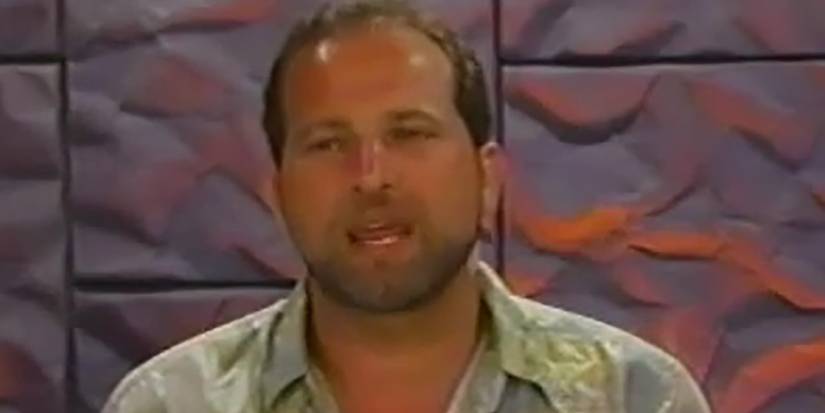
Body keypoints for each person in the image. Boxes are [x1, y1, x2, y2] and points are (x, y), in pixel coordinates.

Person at [102, 1, 711, 412]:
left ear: (487, 177)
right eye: (328, 143)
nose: (371, 177)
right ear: (278, 193)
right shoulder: (173, 402)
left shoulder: (631, 397)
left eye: (410, 134)